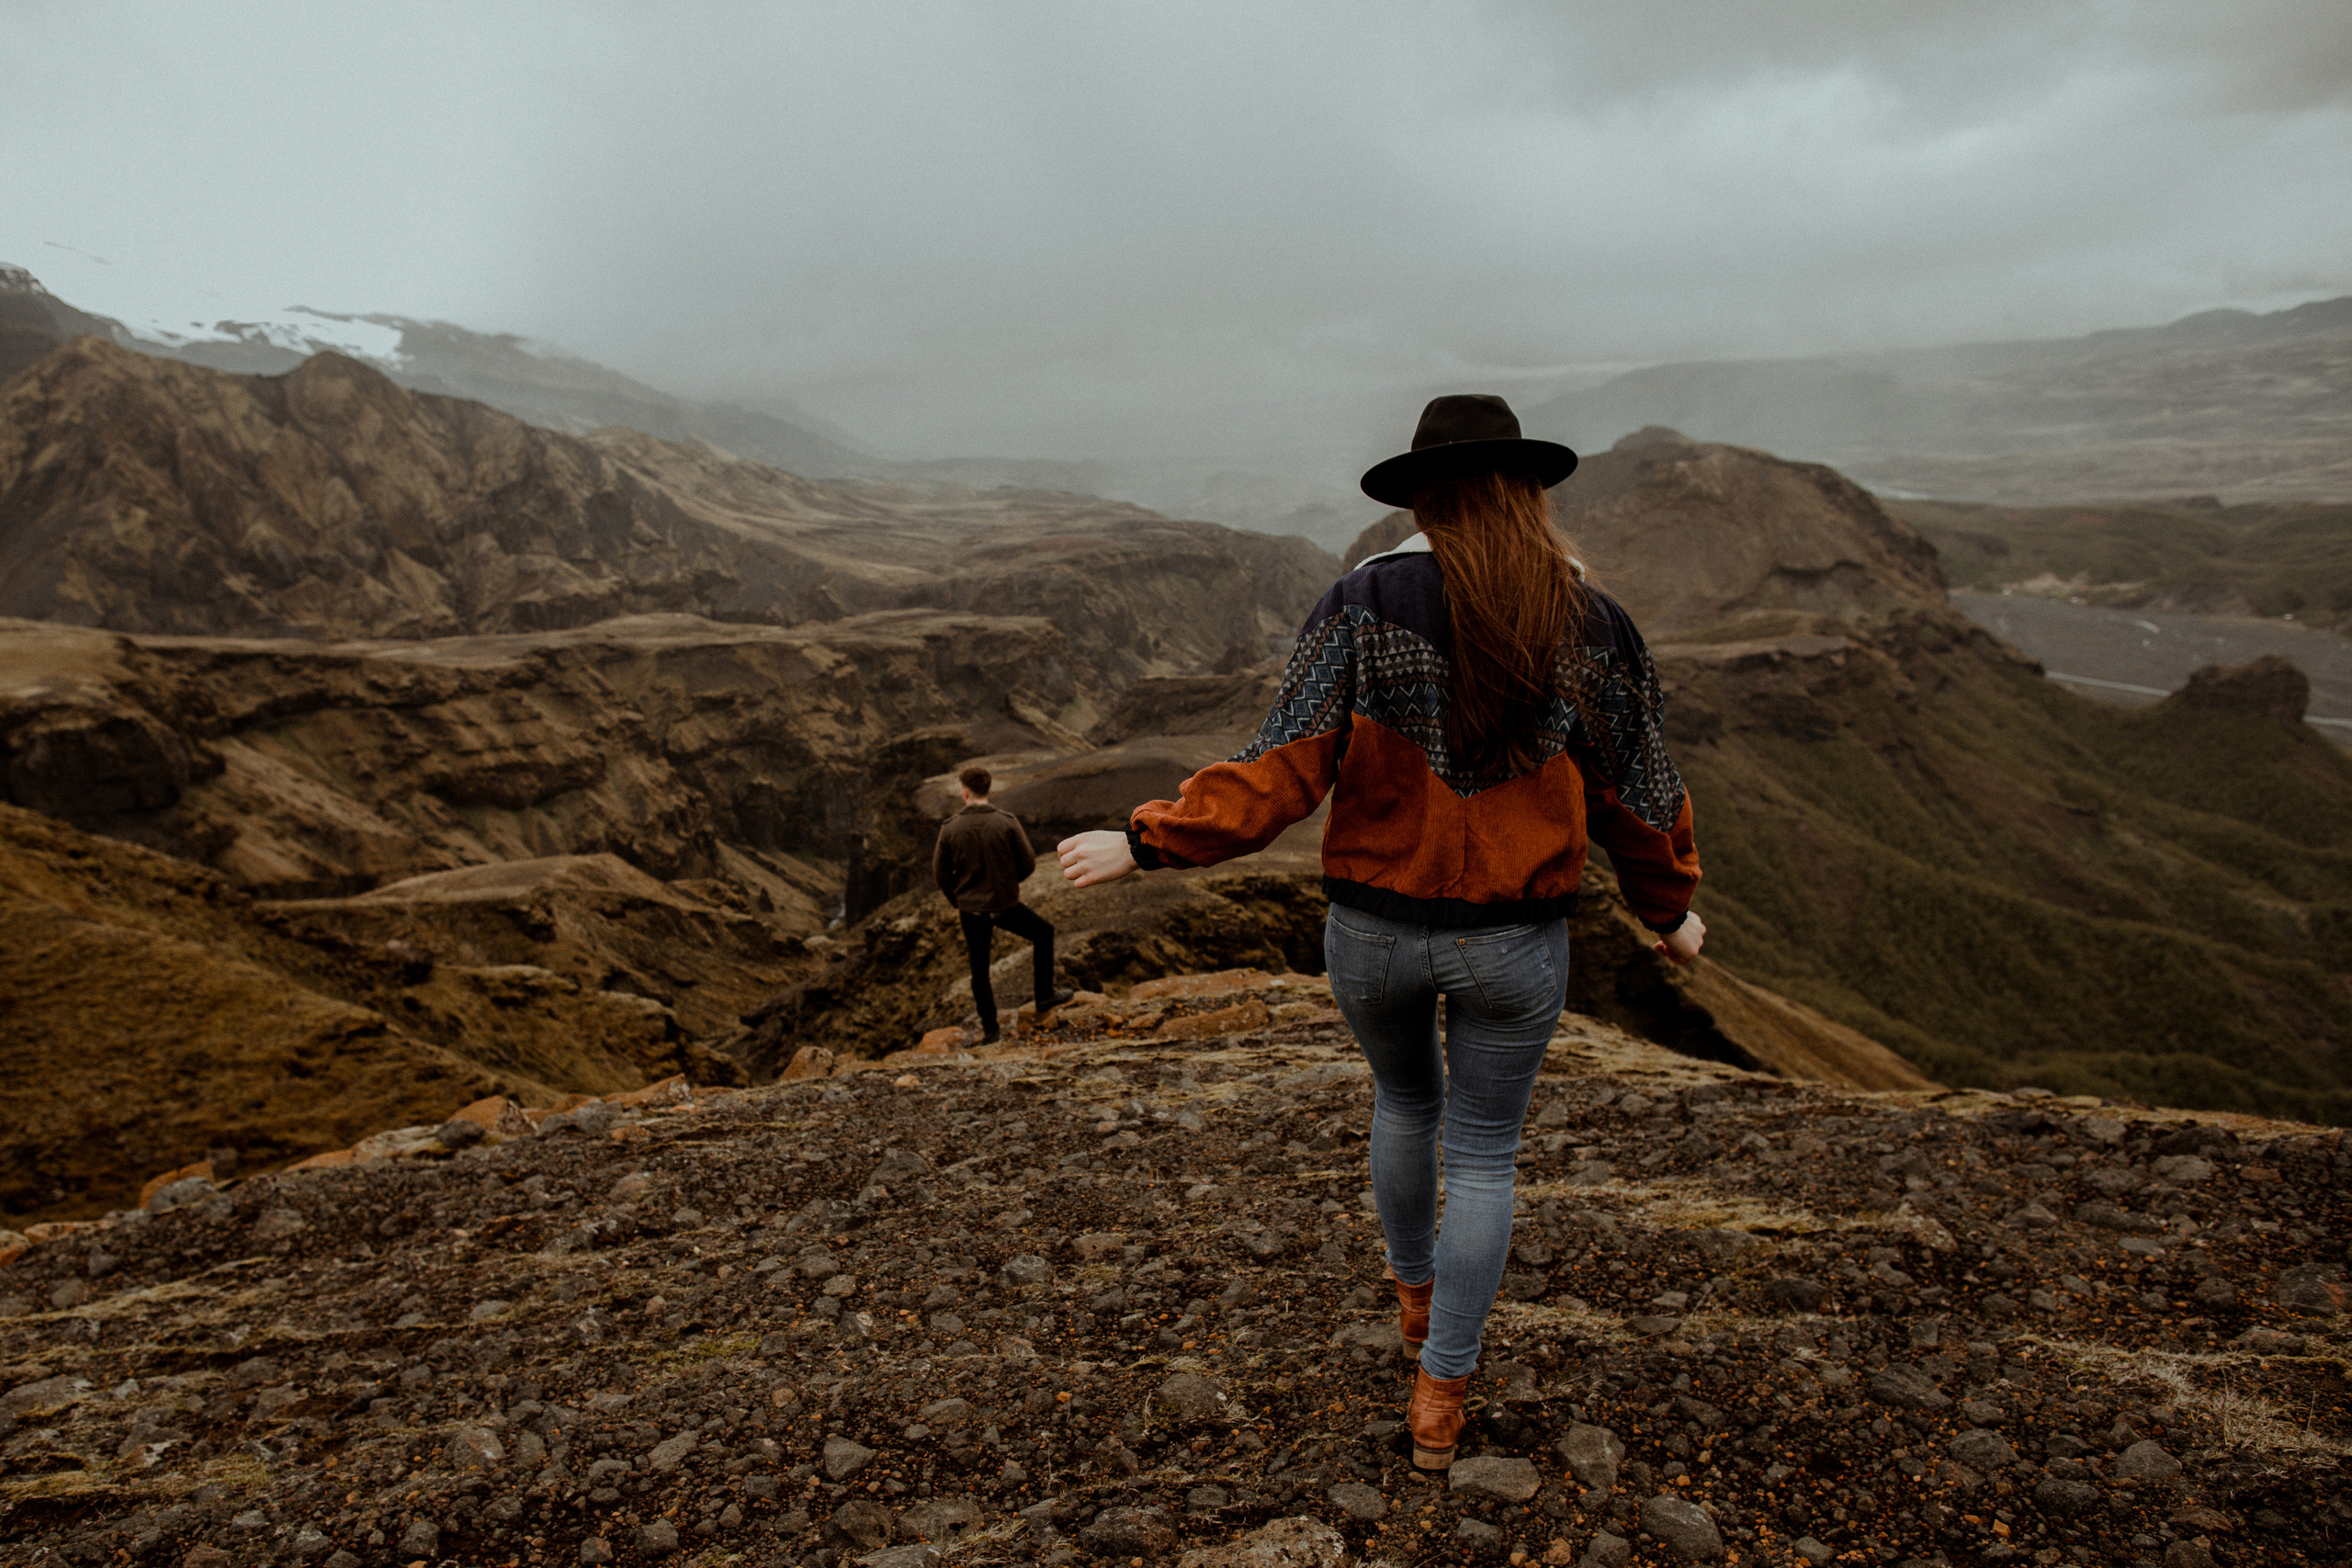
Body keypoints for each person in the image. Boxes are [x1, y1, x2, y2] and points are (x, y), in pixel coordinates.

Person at [1057, 394, 1704, 1471]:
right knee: (1485, 1160)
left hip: (1373, 932)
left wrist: (1150, 840)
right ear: (1528, 493)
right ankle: (1439, 1394)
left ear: (1421, 495)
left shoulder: (1362, 600)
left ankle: (1414, 1300)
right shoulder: (1593, 622)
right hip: (1513, 941)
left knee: (1405, 1103)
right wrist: (1668, 912)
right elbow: (1641, 790)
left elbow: (1283, 765)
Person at [933, 765, 1071, 1043]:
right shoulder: (1006, 822)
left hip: (971, 910)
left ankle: (991, 1031)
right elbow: (1028, 863)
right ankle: (1044, 997)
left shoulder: (950, 828)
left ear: (965, 792)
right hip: (1005, 905)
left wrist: (958, 899)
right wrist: (1007, 887)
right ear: (988, 789)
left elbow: (940, 873)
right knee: (1043, 933)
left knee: (979, 970)